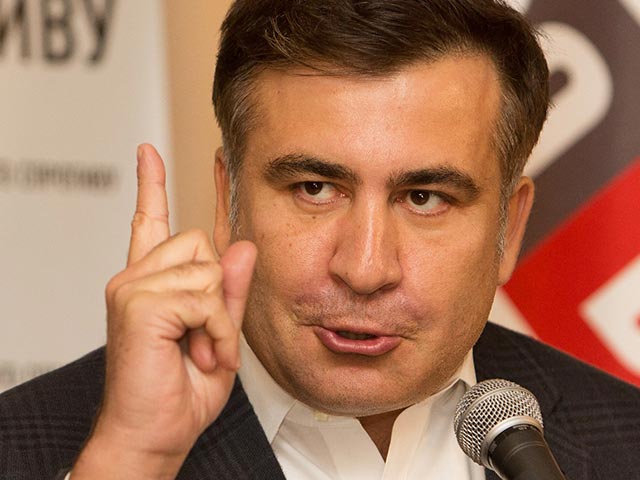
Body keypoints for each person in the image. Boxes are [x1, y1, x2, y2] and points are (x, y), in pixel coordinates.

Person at [1, 0, 639, 479]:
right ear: (227, 200)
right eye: (315, 188)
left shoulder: (625, 442)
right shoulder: (27, 448)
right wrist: (130, 462)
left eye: (424, 198)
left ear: (509, 227)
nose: (364, 268)